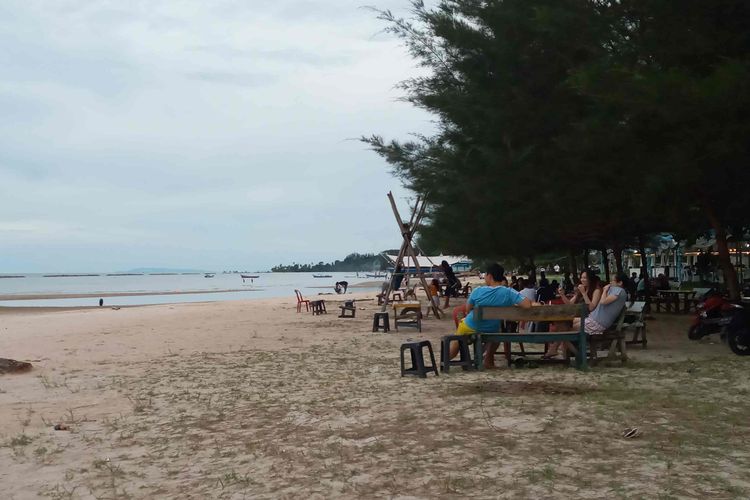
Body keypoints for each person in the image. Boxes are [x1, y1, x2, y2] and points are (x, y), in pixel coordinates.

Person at [451, 263, 532, 368]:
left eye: (485, 275)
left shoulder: (478, 291)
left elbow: (467, 309)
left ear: (490, 276)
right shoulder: (508, 292)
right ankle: (488, 360)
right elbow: (527, 305)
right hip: (491, 329)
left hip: (471, 326)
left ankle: (447, 358)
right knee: (496, 336)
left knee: (458, 339)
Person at [544, 269, 603, 358]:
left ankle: (558, 350)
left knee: (563, 329)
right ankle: (560, 351)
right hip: (577, 317)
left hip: (589, 318)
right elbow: (570, 304)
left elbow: (591, 307)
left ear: (591, 279)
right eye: (581, 277)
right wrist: (563, 295)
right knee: (561, 325)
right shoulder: (581, 290)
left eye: (585, 278)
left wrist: (584, 293)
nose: (582, 280)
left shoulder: (596, 290)